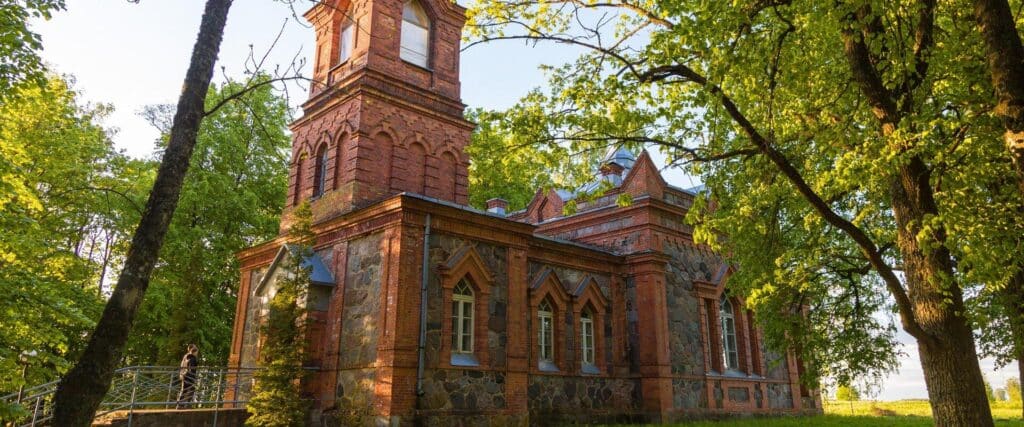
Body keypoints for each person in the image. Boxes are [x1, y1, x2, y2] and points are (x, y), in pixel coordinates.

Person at [176, 344, 199, 409]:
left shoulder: (186, 357)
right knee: (190, 389)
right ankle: (186, 405)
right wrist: (193, 377)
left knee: (184, 390)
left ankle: (180, 405)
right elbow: (191, 369)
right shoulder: (191, 358)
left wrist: (182, 374)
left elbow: (182, 366)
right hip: (188, 376)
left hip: (184, 375)